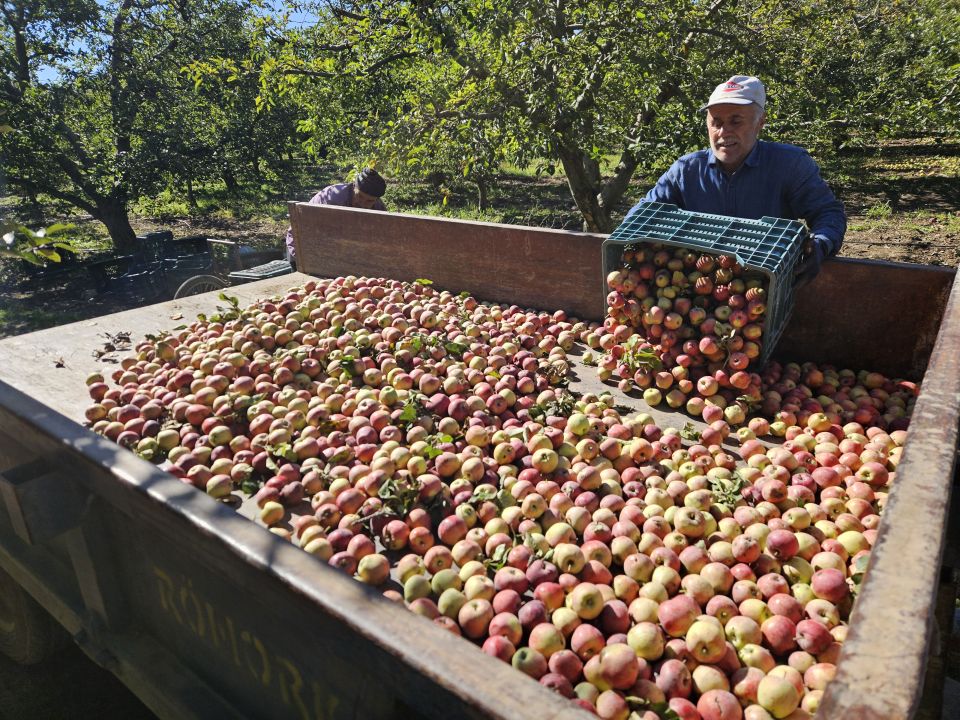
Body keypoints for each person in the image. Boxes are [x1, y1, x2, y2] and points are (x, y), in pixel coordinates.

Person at [628, 75, 846, 286]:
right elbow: (642, 215)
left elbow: (827, 212)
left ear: (760, 122)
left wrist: (820, 245)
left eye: (736, 121)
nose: (724, 132)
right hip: (697, 287)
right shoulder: (687, 171)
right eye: (716, 122)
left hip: (766, 283)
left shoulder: (789, 165)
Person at [284, 167, 388, 269]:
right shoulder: (333, 200)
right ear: (354, 187)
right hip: (302, 248)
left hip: (336, 255)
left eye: (369, 201)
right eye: (359, 196)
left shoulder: (378, 207)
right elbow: (303, 229)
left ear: (376, 200)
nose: (362, 203)